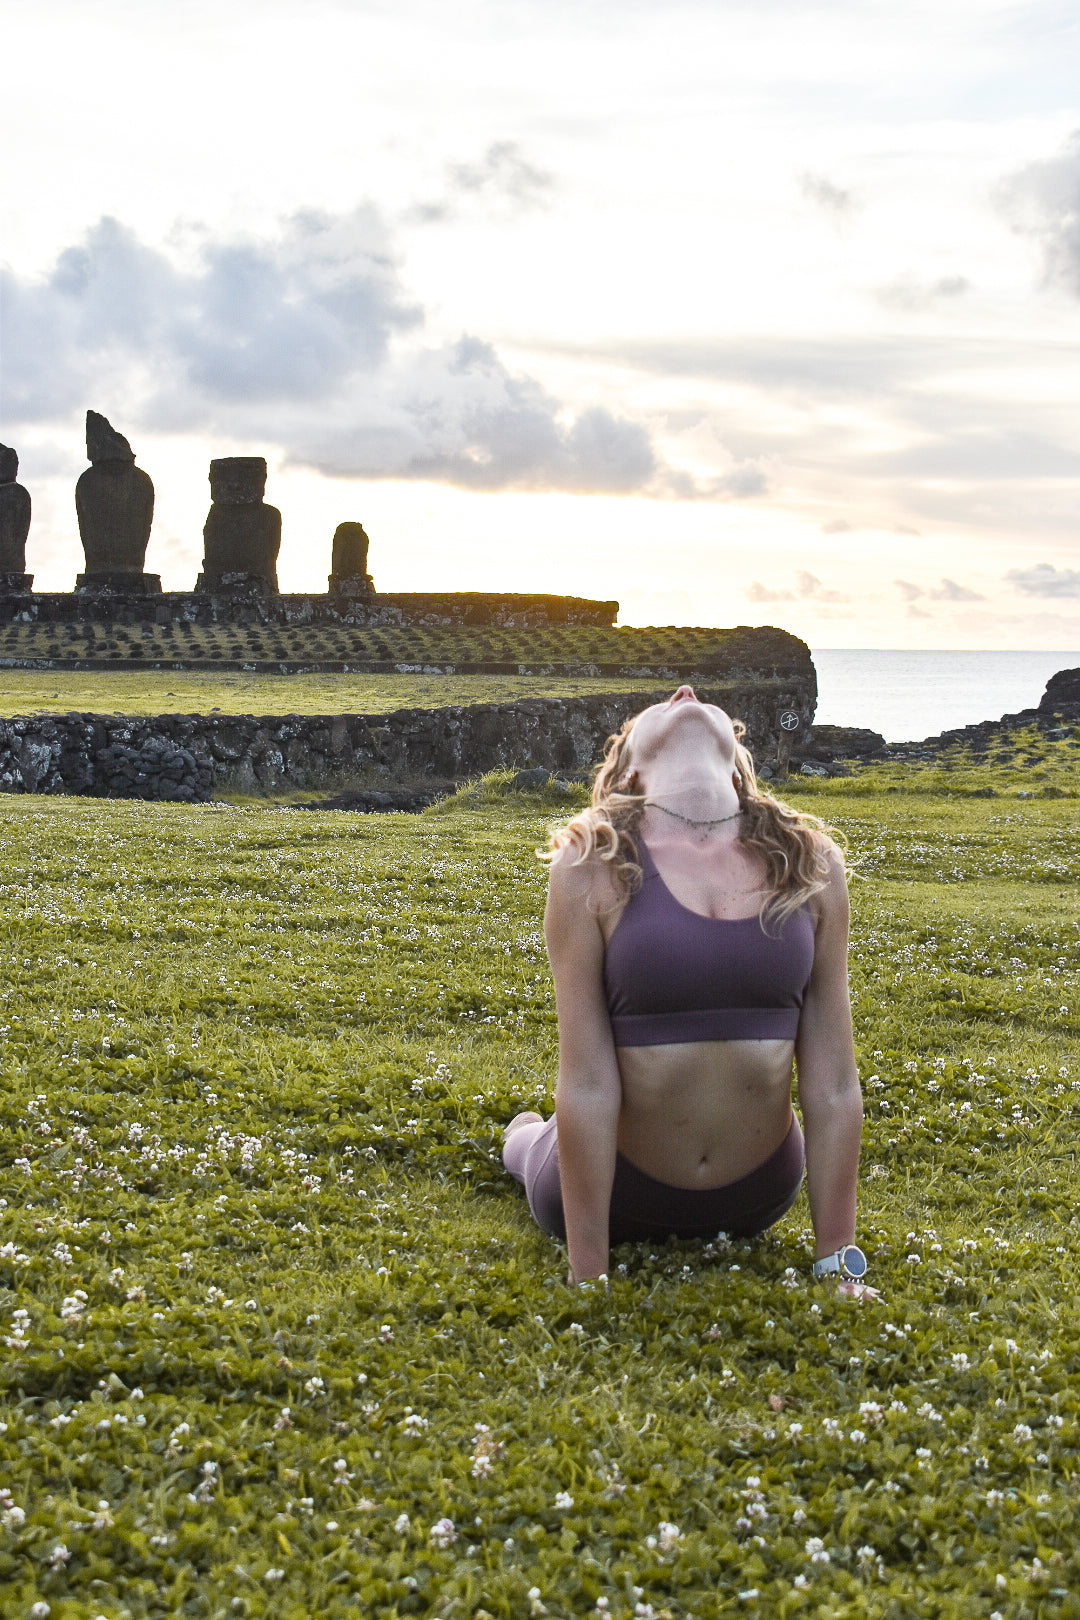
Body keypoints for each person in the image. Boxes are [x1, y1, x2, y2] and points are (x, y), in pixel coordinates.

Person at [502, 685, 867, 1291]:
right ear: (631, 771)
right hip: (620, 1195)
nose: (686, 691)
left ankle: (527, 1133)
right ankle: (521, 1135)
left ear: (737, 767)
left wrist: (839, 1262)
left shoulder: (810, 863)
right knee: (530, 1146)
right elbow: (587, 1084)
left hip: (759, 1195)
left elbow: (832, 1084)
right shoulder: (590, 866)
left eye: (703, 699)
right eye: (654, 710)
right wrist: (589, 1276)